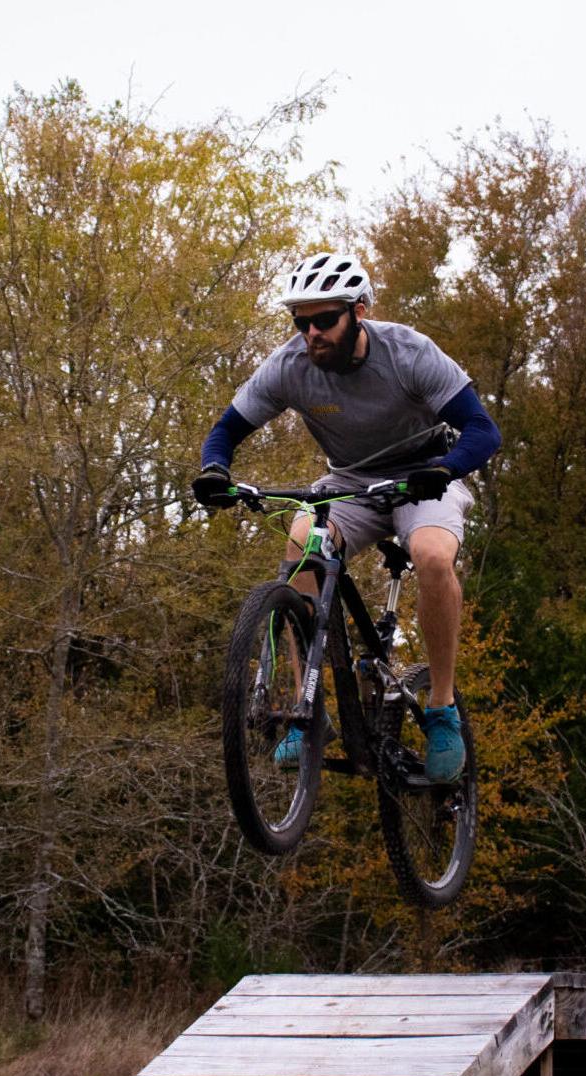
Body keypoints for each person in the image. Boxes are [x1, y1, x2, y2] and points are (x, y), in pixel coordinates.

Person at [191, 251, 501, 783]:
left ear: (358, 311)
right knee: (300, 540)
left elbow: (482, 430)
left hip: (423, 474)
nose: (311, 333)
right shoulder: (289, 367)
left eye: (324, 320)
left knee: (431, 556)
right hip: (351, 481)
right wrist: (215, 470)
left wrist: (445, 469)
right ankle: (306, 712)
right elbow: (225, 431)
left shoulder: (407, 352)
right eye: (301, 322)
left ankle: (443, 707)